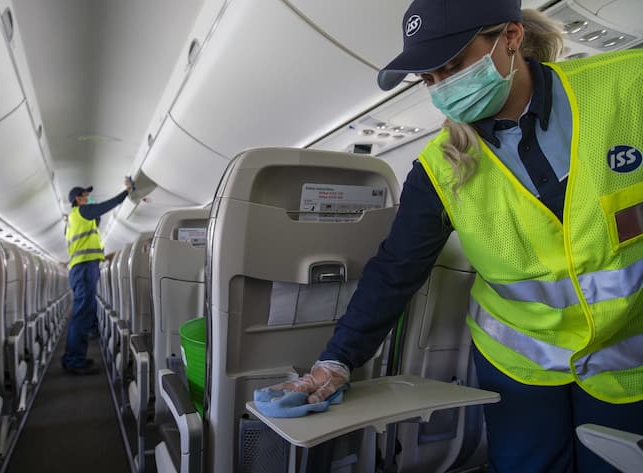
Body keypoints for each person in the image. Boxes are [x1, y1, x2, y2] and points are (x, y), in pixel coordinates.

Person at [272, 1, 643, 471]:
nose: (441, 88)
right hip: (520, 367)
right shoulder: (440, 168)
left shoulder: (628, 86)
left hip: (629, 361)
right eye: (428, 79)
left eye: (450, 67)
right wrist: (337, 360)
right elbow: (396, 270)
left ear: (511, 37)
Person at [61, 178, 133, 375]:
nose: (89, 199)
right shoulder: (81, 212)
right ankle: (74, 360)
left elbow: (97, 217)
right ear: (78, 199)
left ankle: (74, 357)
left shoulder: (75, 219)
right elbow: (104, 207)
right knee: (82, 314)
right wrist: (127, 192)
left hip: (83, 268)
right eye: (86, 196)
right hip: (84, 268)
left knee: (83, 313)